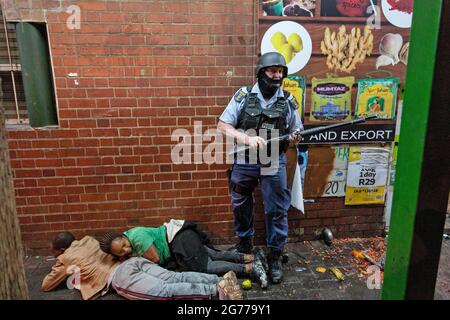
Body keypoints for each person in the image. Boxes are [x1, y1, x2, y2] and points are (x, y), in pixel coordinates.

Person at [217, 52, 303, 284]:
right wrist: (247, 139)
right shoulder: (243, 96)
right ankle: (245, 243)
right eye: (272, 71)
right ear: (261, 72)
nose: (277, 76)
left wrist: (295, 137)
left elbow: (297, 130)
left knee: (276, 209)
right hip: (245, 160)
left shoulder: (288, 100)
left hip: (274, 161)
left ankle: (275, 255)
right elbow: (223, 125)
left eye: (280, 72)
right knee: (240, 203)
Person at [43, 231, 243, 300]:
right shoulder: (88, 239)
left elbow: (47, 285)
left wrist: (61, 264)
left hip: (120, 277)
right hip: (133, 262)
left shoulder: (65, 258)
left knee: (164, 292)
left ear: (60, 250)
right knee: (173, 277)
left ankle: (215, 290)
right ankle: (219, 280)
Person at [98, 219, 269, 289]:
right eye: (121, 252)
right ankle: (254, 258)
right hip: (181, 237)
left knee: (206, 267)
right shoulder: (129, 246)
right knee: (213, 256)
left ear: (124, 236)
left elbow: (156, 259)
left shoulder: (137, 237)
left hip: (179, 240)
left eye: (125, 245)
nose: (126, 251)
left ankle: (249, 268)